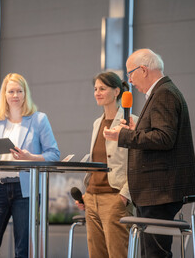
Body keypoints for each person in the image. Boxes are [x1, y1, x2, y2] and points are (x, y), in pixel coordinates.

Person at [103, 49, 195, 258]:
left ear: (144, 70)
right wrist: (136, 130)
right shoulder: (163, 92)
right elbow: (160, 135)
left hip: (159, 190)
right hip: (155, 190)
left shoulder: (164, 93)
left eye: (130, 73)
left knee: (155, 254)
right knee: (150, 252)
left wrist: (123, 136)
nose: (129, 81)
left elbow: (164, 138)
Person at [0, 73, 60, 258]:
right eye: (11, 91)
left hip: (25, 191)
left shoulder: (39, 119)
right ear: (4, 94)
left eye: (19, 91)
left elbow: (54, 154)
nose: (15, 95)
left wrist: (30, 156)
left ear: (25, 94)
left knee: (22, 249)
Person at [75, 72, 138, 258]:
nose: (97, 92)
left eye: (102, 88)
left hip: (114, 198)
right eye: (95, 89)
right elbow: (98, 160)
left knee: (118, 254)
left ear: (117, 91)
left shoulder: (130, 121)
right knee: (96, 254)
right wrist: (87, 192)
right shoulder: (97, 123)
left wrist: (124, 195)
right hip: (92, 199)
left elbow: (136, 162)